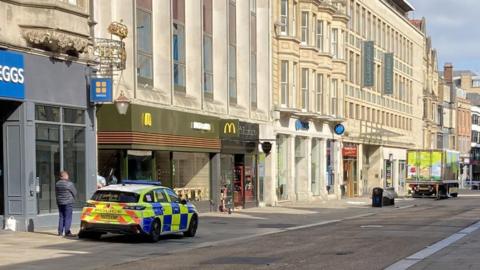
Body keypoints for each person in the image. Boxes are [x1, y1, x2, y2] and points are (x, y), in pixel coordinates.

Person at [55, 171, 77, 237]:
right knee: (68, 217)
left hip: (60, 202)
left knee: (61, 216)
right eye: (67, 175)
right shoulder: (69, 184)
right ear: (65, 176)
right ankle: (67, 232)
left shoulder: (57, 184)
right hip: (68, 202)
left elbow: (56, 192)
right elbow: (75, 192)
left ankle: (60, 232)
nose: (68, 177)